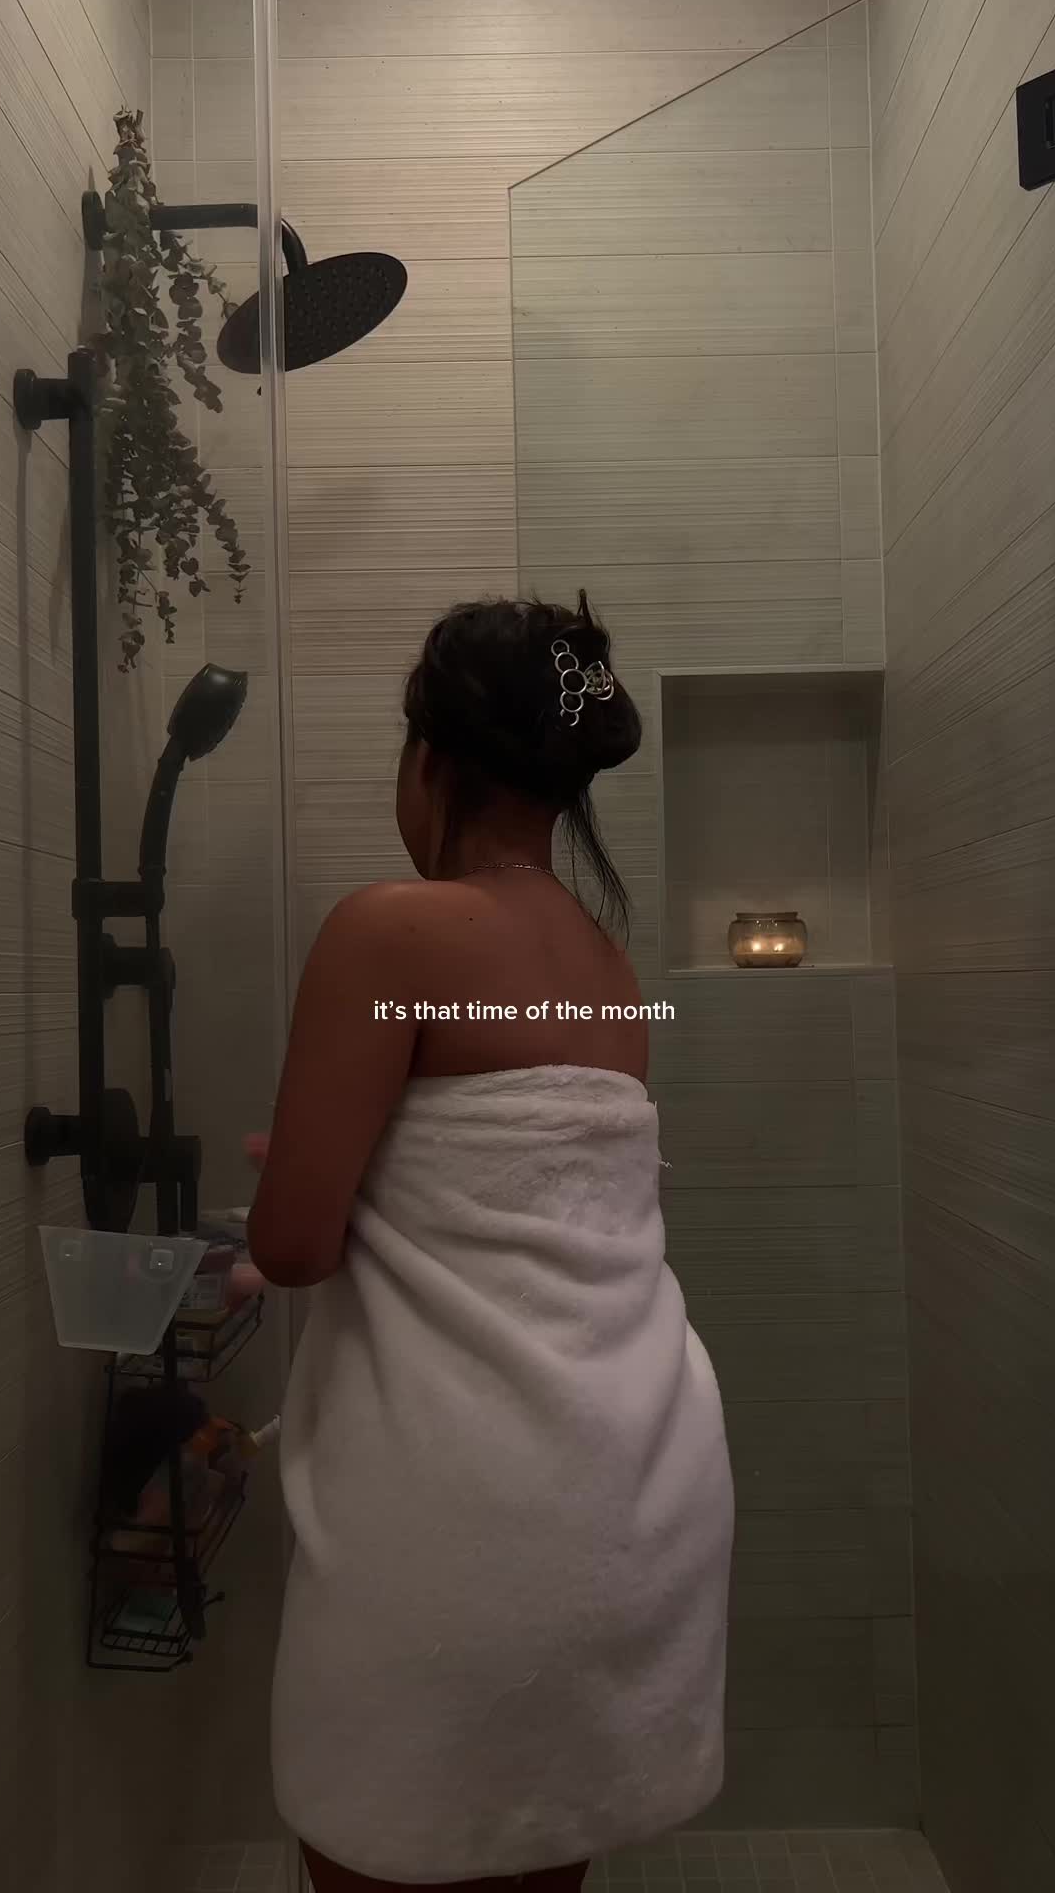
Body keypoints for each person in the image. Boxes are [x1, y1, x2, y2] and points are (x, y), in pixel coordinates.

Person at [246, 593, 734, 1893]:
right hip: (635, 1494)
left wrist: (308, 1187)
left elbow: (291, 1245)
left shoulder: (390, 931)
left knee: (388, 1840)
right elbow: (521, 1200)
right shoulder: (606, 968)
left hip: (470, 1523)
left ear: (434, 761)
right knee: (538, 1852)